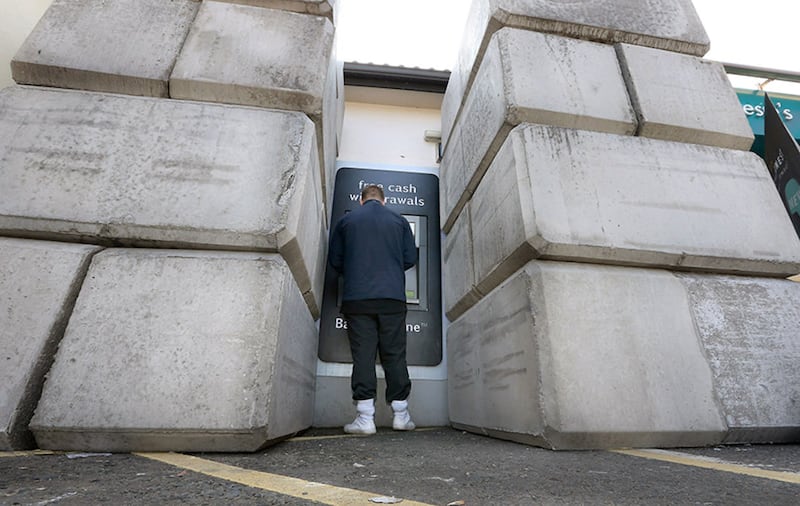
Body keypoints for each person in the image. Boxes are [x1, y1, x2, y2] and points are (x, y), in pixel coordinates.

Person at [328, 183, 417, 434]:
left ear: (361, 200)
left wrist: (357, 270)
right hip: (392, 298)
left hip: (358, 298)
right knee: (395, 354)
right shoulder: (399, 221)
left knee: (363, 355)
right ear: (383, 200)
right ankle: (401, 415)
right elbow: (410, 258)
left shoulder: (347, 221)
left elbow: (335, 260)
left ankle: (365, 418)